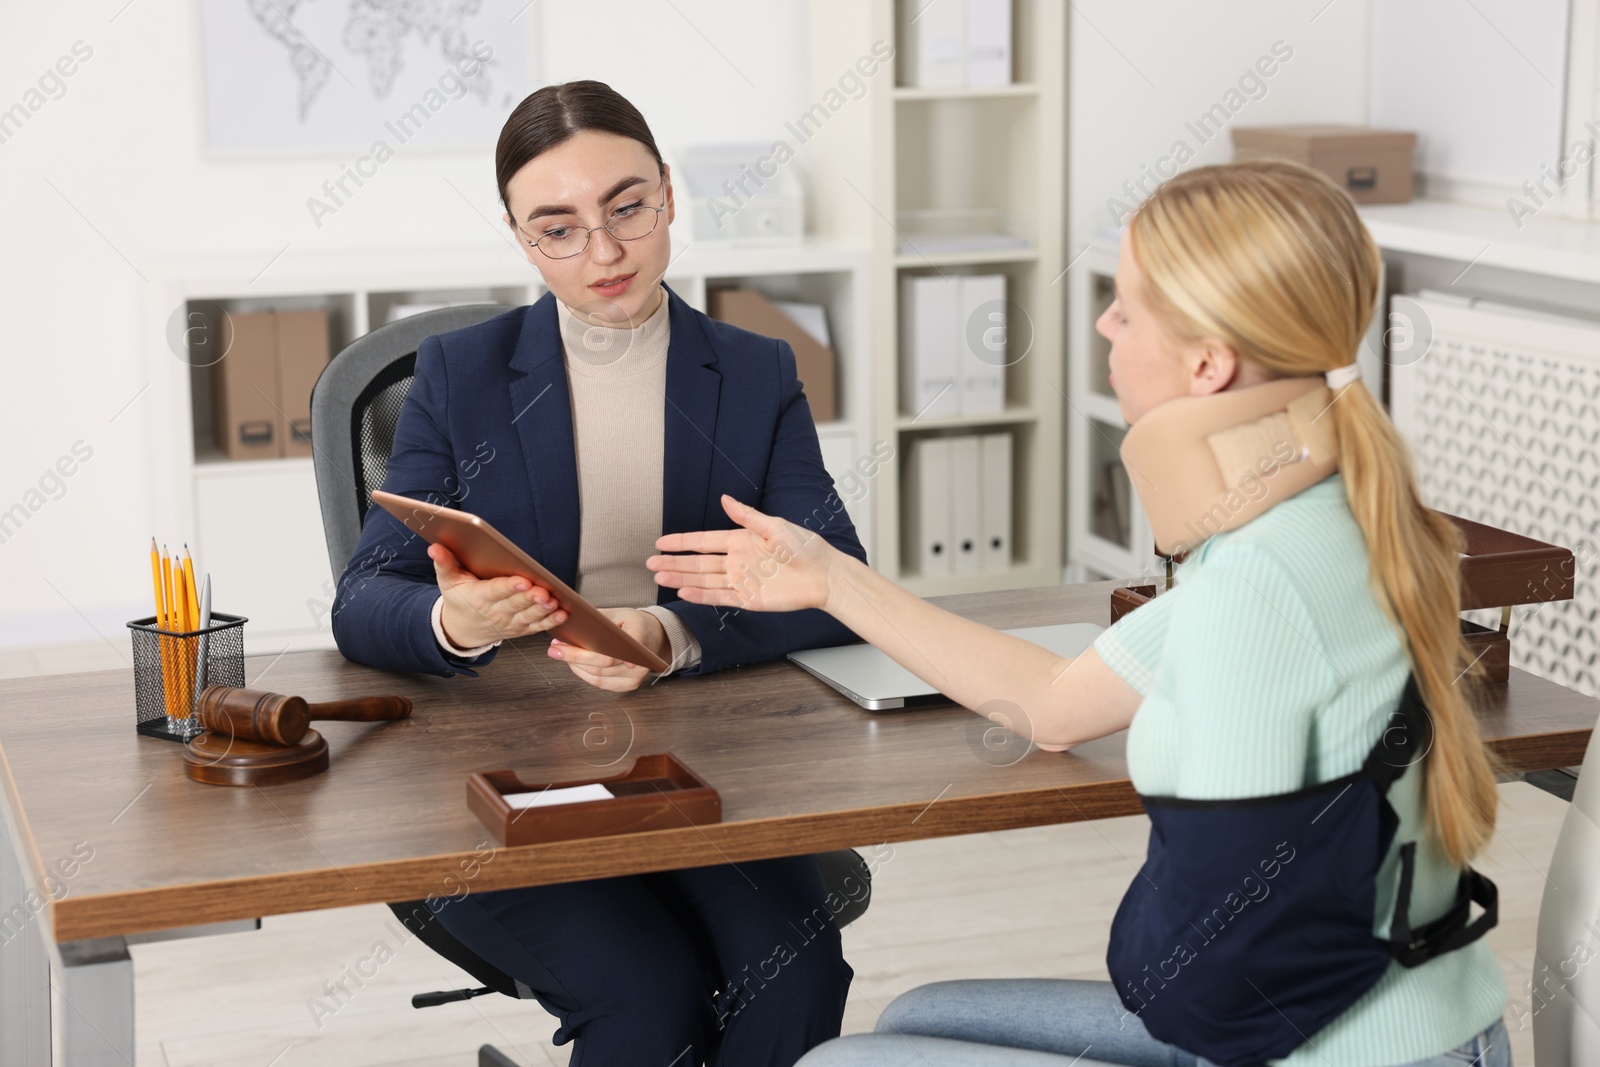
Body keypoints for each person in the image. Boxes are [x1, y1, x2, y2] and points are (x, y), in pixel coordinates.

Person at [649, 160, 1511, 1067]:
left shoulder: (1253, 589)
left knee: (839, 1064)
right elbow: (1059, 702)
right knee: (918, 1012)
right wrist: (831, 580)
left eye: (1127, 307)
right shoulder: (1320, 515)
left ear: (1208, 363)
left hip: (1325, 1045)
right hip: (1370, 1012)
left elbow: (1221, 954)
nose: (1103, 322)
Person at [330, 81, 860, 1065]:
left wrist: (673, 631)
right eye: (557, 229)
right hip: (502, 766)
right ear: (520, 239)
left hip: (696, 764)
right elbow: (363, 599)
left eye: (626, 207)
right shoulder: (459, 373)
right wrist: (455, 622)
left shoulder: (753, 371)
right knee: (644, 997)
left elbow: (837, 582)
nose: (604, 253)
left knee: (798, 971)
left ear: (667, 194)